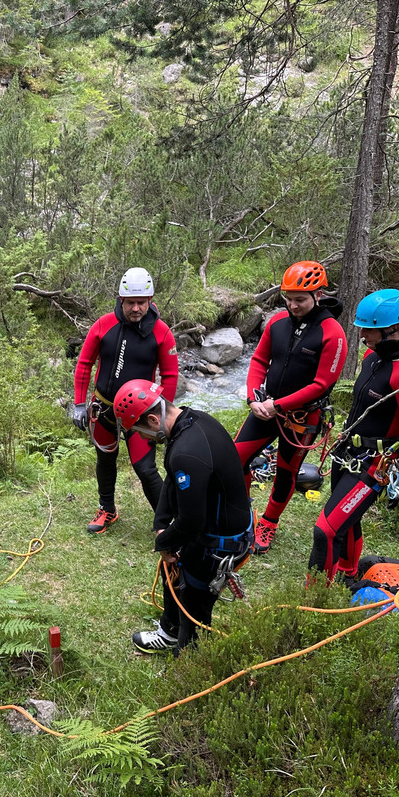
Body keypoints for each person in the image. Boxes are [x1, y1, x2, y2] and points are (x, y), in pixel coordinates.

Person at [114, 380, 252, 655]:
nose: (141, 439)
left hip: (220, 542)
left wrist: (164, 544)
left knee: (193, 602)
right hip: (219, 524)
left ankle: (188, 664)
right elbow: (171, 484)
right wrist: (161, 526)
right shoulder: (191, 422)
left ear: (153, 420)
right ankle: (169, 632)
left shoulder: (186, 453)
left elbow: (191, 521)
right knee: (173, 574)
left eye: (139, 431)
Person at [308, 289, 399, 584]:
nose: (363, 335)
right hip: (349, 453)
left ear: (394, 329)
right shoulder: (373, 355)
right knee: (346, 522)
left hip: (374, 465)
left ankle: (314, 600)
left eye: (370, 330)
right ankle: (348, 575)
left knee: (325, 530)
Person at [234, 261, 348, 554]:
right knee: (236, 458)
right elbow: (259, 361)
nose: (292, 305)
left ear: (318, 295)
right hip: (265, 408)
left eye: (300, 300)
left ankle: (269, 524)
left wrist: (277, 405)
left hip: (301, 417)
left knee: (286, 471)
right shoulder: (276, 323)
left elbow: (321, 384)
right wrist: (253, 399)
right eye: (288, 298)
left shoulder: (332, 333)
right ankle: (243, 515)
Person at [71, 268, 179, 533]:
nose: (136, 308)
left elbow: (171, 375)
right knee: (105, 459)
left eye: (142, 302)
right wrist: (79, 404)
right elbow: (84, 364)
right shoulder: (104, 324)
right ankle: (107, 509)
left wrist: (162, 415)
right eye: (130, 302)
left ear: (151, 299)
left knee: (145, 468)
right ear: (120, 299)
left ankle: (167, 524)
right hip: (104, 407)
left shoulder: (162, 333)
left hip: (141, 414)